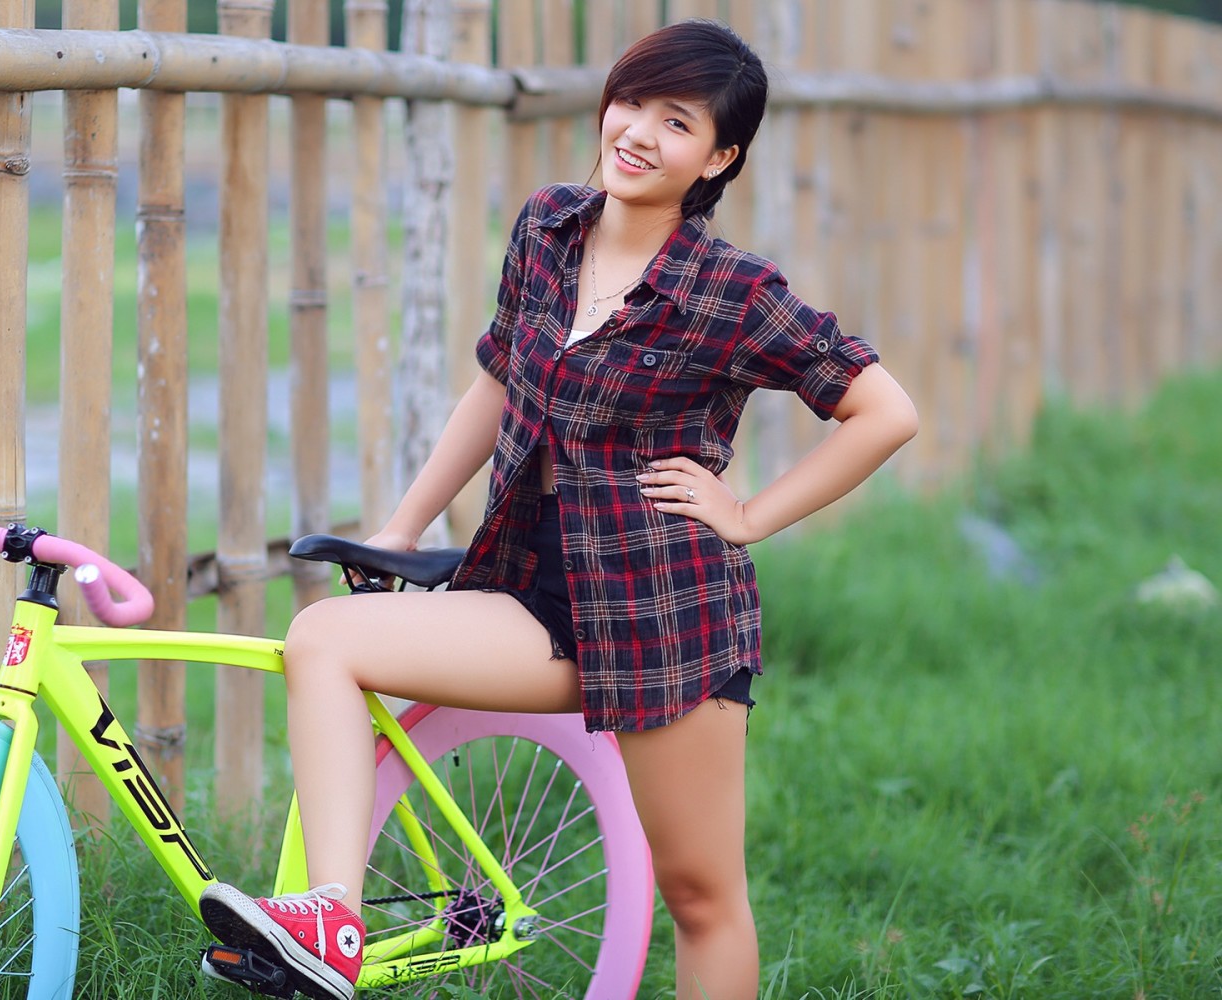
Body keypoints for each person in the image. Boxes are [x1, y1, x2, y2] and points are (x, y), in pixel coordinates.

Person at [199, 17, 919, 1000]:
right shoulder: (548, 228)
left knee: (701, 895)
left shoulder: (730, 291)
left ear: (719, 156)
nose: (636, 131)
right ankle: (331, 919)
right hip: (535, 593)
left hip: (668, 620)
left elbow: (885, 411)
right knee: (323, 637)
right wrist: (405, 527)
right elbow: (496, 384)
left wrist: (747, 513)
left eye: (676, 121)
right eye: (632, 101)